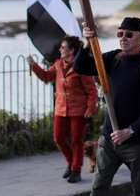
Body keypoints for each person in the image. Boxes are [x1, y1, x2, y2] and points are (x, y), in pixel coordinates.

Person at [74, 17, 140, 196]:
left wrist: (130, 131)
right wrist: (86, 43)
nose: (123, 38)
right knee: (98, 188)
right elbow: (81, 66)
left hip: (136, 144)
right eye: (120, 33)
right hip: (109, 140)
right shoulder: (114, 57)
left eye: (129, 34)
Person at [28, 36, 97, 182]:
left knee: (76, 140)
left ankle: (76, 170)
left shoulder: (81, 66)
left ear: (71, 50)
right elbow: (46, 77)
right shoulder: (58, 64)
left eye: (63, 47)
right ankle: (72, 163)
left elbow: (91, 91)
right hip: (60, 109)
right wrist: (33, 65)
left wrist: (90, 108)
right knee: (58, 138)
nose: (60, 49)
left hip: (79, 110)